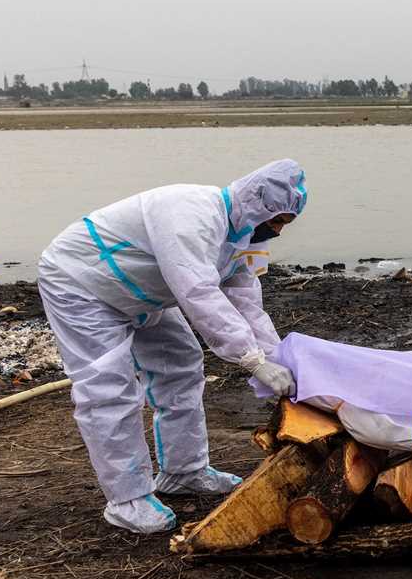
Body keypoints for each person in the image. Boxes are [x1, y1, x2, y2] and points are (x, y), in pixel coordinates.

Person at [38, 159, 308, 534]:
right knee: (108, 388)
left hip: (143, 292)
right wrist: (252, 360)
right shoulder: (192, 213)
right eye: (277, 220)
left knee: (181, 362)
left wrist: (279, 359)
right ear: (258, 204)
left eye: (285, 224)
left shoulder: (244, 235)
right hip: (83, 284)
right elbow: (197, 292)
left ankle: (184, 471)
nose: (277, 231)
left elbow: (246, 300)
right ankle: (127, 499)